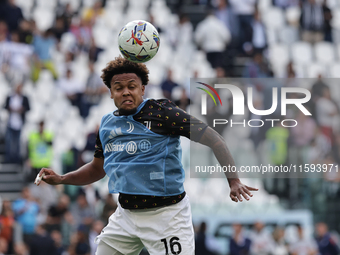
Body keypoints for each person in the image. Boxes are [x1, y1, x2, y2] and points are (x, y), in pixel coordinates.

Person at [36, 56, 257, 254]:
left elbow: (214, 139)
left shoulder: (163, 113)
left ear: (143, 89)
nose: (126, 92)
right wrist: (63, 178)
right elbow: (96, 169)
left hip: (167, 217)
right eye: (118, 87)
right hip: (126, 216)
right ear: (111, 92)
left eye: (132, 86)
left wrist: (234, 180)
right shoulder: (106, 125)